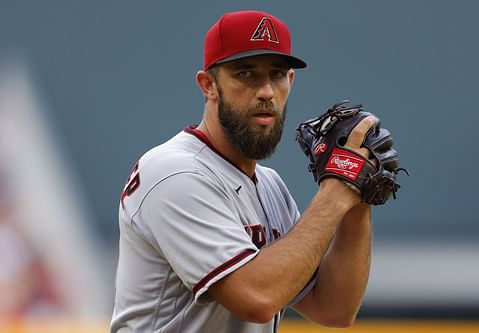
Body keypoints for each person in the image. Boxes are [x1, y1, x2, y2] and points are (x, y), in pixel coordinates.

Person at [111, 10, 376, 333]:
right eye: (246, 74)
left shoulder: (269, 185)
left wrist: (357, 199)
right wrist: (335, 191)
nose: (266, 91)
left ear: (290, 82)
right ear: (208, 85)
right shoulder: (174, 172)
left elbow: (333, 309)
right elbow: (257, 298)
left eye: (277, 74)